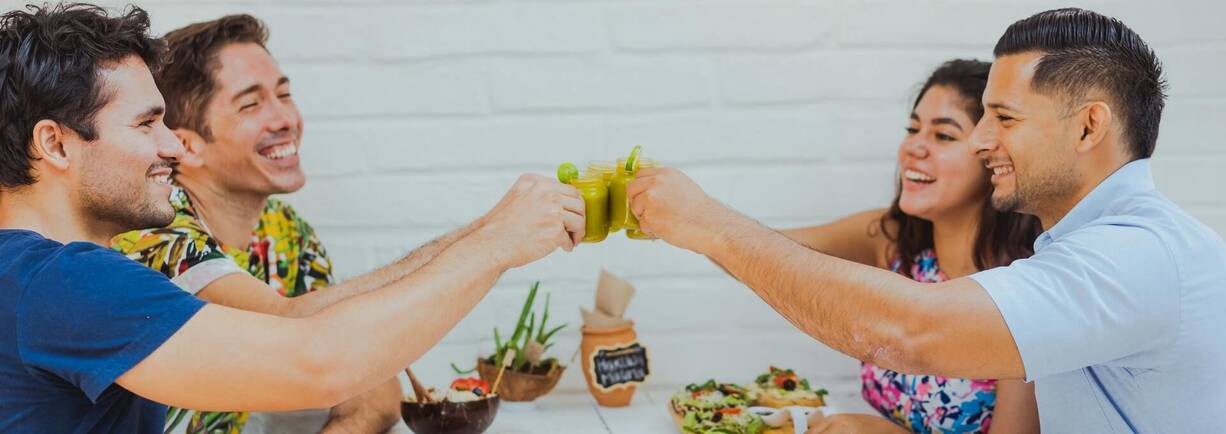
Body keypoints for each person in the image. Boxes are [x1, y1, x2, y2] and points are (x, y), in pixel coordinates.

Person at [629, 8, 1226, 432]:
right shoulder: (1087, 248)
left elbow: (909, 332)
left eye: (1004, 118)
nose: (983, 140)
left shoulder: (1132, 257)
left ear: (1089, 127)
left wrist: (707, 222)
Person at [0, 4, 585, 433]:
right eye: (145, 125)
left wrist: (491, 234)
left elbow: (352, 372)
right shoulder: (65, 282)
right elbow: (319, 361)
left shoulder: (40, 274)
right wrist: (495, 244)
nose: (172, 148)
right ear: (54, 144)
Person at [110, 15, 407, 433]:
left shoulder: (286, 231)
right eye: (251, 104)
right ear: (186, 147)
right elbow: (298, 323)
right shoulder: (154, 229)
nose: (285, 118)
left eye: (284, 95)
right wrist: (480, 248)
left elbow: (375, 393)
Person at [776, 59, 1040, 433]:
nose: (913, 147)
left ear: (994, 156)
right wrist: (698, 221)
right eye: (913, 129)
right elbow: (767, 254)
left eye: (943, 136)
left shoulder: (1024, 298)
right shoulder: (892, 241)